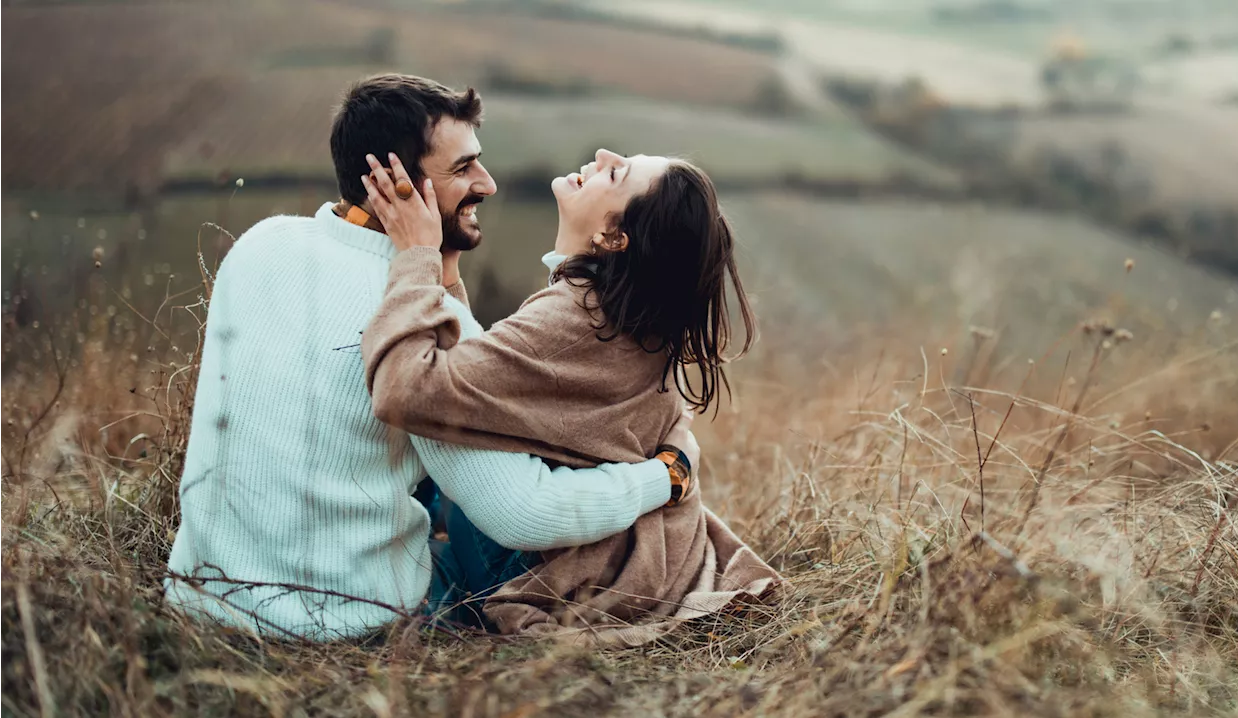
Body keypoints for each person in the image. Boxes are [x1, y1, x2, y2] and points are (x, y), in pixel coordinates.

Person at [164, 74, 698, 641]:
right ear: (397, 185)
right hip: (341, 623)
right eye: (462, 168)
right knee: (485, 517)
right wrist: (662, 479)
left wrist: (434, 267)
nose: (487, 184)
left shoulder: (261, 244)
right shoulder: (419, 321)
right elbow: (523, 514)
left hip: (198, 598)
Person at [360, 147, 781, 645]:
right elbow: (500, 376)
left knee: (399, 524)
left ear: (613, 236)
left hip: (550, 569)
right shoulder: (621, 312)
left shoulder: (578, 318)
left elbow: (407, 391)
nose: (602, 154)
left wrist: (415, 259)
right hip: (607, 554)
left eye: (617, 171)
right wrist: (448, 279)